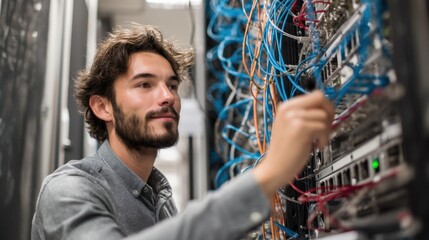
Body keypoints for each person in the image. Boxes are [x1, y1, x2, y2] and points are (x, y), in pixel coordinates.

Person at [31, 24, 334, 240]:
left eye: (172, 85)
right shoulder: (68, 190)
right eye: (144, 84)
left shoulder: (159, 199)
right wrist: (268, 176)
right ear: (103, 107)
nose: (167, 96)